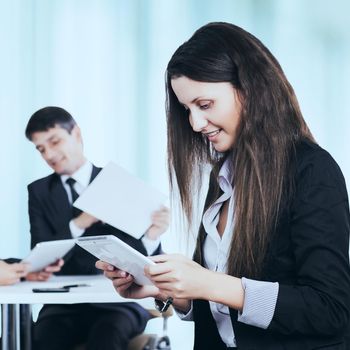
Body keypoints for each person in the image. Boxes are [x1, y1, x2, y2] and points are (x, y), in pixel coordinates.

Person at [97, 22, 350, 350]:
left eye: (204, 105)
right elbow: (217, 307)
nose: (195, 123)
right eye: (187, 109)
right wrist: (167, 291)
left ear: (251, 89)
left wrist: (210, 284)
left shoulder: (312, 170)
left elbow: (329, 310)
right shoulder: (225, 176)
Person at [25, 106, 170, 350]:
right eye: (41, 149)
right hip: (63, 306)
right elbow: (38, 254)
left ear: (77, 135)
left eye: (55, 141)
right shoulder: (38, 191)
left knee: (107, 336)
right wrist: (80, 222)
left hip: (117, 302)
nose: (49, 154)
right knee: (42, 338)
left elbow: (144, 261)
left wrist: (152, 236)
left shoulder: (116, 182)